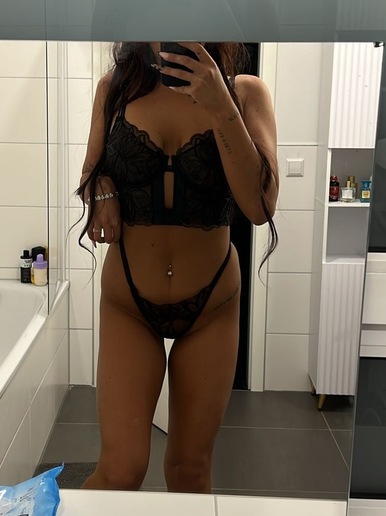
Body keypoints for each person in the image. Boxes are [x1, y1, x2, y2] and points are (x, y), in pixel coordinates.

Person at [76, 42, 278, 493]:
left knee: (190, 470)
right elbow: (90, 171)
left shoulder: (246, 93)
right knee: (120, 470)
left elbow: (260, 206)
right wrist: (102, 188)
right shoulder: (115, 89)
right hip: (129, 303)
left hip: (211, 307)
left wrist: (220, 105)